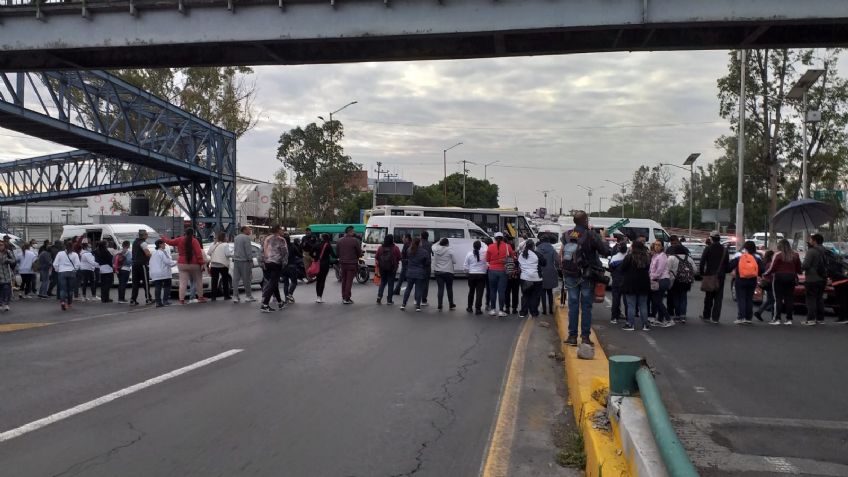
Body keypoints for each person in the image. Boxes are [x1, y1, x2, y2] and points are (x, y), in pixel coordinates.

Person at [562, 211, 611, 346]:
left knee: (572, 306)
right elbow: (605, 251)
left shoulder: (566, 235)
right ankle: (584, 338)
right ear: (586, 221)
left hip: (570, 274)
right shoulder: (590, 235)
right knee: (586, 307)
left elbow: (563, 253)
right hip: (586, 276)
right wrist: (603, 237)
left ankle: (572, 337)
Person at [164, 228, 207, 305]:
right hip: (194, 263)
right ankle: (200, 297)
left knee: (183, 282)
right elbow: (198, 253)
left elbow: (170, 242)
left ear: (185, 233)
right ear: (193, 233)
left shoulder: (180, 239)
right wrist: (201, 263)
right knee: (198, 281)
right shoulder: (194, 240)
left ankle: (181, 300)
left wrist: (163, 238)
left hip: (182, 263)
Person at [764, 239, 801, 325]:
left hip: (779, 278)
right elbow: (799, 268)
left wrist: (765, 274)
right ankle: (789, 319)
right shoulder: (795, 255)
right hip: (791, 277)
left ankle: (777, 319)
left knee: (778, 299)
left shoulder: (778, 255)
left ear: (779, 246)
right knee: (789, 299)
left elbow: (772, 267)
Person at [728, 240, 764, 325]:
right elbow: (762, 269)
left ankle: (741, 317)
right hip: (752, 280)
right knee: (749, 298)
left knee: (741, 298)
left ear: (745, 248)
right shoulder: (757, 257)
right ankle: (748, 318)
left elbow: (730, 267)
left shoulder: (739, 256)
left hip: (740, 280)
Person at [620, 240, 652, 331]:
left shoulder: (629, 257)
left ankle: (630, 324)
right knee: (643, 304)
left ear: (633, 247)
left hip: (630, 283)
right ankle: (645, 325)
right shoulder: (647, 257)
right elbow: (649, 268)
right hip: (644, 283)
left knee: (631, 305)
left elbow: (622, 268)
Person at [699, 231, 730, 324]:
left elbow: (702, 262)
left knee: (708, 297)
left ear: (711, 238)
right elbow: (727, 265)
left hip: (709, 275)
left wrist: (702, 273)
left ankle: (706, 316)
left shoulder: (708, 248)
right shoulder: (725, 250)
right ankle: (715, 318)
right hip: (720, 276)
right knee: (718, 298)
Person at [666, 236, 695, 323]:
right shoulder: (688, 258)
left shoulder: (671, 258)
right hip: (686, 281)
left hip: (675, 280)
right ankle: (683, 315)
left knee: (675, 297)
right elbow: (695, 269)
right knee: (683, 297)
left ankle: (677, 315)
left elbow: (667, 269)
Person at [260, 225, 288, 313]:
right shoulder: (281, 239)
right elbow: (285, 252)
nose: (282, 231)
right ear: (277, 230)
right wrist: (284, 263)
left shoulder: (266, 238)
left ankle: (280, 302)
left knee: (273, 282)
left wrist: (262, 262)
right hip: (276, 262)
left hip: (267, 262)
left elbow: (261, 250)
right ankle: (265, 304)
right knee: (273, 283)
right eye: (281, 229)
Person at [486, 232, 515, 317]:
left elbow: (487, 259)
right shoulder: (508, 246)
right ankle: (501, 311)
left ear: (494, 238)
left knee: (492, 291)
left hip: (492, 271)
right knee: (501, 291)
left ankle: (493, 310)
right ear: (502, 238)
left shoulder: (490, 247)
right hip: (503, 271)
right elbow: (512, 258)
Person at [801, 233, 827, 325]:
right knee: (819, 298)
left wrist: (801, 266)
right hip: (823, 278)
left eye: (811, 240)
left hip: (812, 278)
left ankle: (811, 319)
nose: (809, 241)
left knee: (811, 299)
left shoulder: (811, 251)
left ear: (814, 241)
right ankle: (820, 319)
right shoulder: (825, 250)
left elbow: (805, 265)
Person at [401, 237, 431, 312]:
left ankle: (403, 304)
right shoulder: (424, 252)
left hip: (410, 272)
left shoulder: (409, 250)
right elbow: (427, 262)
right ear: (420, 243)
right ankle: (418, 306)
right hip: (420, 272)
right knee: (418, 289)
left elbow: (408, 258)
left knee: (408, 289)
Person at [518, 239, 544, 318]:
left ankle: (523, 312)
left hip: (524, 278)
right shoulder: (537, 254)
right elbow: (544, 263)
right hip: (536, 279)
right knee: (535, 296)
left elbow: (518, 264)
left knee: (525, 295)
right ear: (533, 246)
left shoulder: (521, 254)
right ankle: (534, 312)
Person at [649, 240, 672, 327]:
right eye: (655, 245)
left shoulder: (662, 256)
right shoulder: (655, 256)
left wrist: (650, 278)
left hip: (662, 280)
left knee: (657, 301)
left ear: (662, 247)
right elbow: (651, 269)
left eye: (659, 245)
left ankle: (668, 319)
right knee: (658, 300)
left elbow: (659, 271)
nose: (657, 246)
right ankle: (660, 319)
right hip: (657, 280)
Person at [336, 225, 362, 305]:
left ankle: (344, 297)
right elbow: (359, 252)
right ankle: (347, 298)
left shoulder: (339, 241)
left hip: (343, 264)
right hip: (352, 264)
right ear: (350, 232)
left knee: (344, 280)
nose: (354, 232)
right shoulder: (355, 241)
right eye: (353, 231)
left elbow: (337, 253)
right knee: (349, 282)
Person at [53, 240, 80, 311]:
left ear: (65, 246)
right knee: (70, 289)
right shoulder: (75, 254)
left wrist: (57, 270)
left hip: (62, 272)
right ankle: (69, 303)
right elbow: (78, 264)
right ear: (72, 246)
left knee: (62, 289)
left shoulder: (60, 253)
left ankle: (62, 302)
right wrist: (75, 270)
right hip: (71, 272)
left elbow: (55, 263)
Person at [149, 239, 177, 307]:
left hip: (155, 273)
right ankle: (165, 301)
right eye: (164, 244)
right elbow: (168, 262)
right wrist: (176, 262)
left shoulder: (154, 253)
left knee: (157, 287)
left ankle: (158, 302)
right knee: (167, 286)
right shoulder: (163, 252)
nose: (165, 245)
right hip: (164, 272)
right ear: (160, 245)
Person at [232, 226, 256, 303]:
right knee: (247, 279)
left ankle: (235, 296)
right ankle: (248, 296)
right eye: (249, 229)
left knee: (236, 279)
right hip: (245, 261)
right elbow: (248, 250)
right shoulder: (246, 238)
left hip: (236, 260)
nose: (250, 231)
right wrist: (251, 260)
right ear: (245, 230)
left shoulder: (236, 238)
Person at [375, 234, 401, 305]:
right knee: (390, 284)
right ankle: (389, 300)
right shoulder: (395, 248)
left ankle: (379, 297)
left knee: (382, 282)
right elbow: (399, 257)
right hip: (392, 269)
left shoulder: (380, 248)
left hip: (382, 268)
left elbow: (376, 257)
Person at [432, 237, 456, 311]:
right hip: (448, 271)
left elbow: (433, 245)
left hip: (438, 271)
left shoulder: (435, 249)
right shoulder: (450, 250)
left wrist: (439, 241)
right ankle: (451, 304)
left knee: (440, 288)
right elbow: (454, 261)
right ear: (447, 243)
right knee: (449, 288)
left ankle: (439, 305)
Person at [537, 234, 559, 315]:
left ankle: (544, 310)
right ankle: (550, 310)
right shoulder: (552, 248)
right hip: (550, 271)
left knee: (542, 292)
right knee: (550, 292)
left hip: (541, 272)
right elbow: (557, 260)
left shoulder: (538, 248)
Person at [464, 240, 488, 315]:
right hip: (481, 275)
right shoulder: (484, 253)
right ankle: (478, 309)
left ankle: (469, 307)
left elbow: (465, 266)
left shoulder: (469, 254)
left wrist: (466, 273)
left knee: (471, 291)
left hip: (472, 275)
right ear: (480, 246)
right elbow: (487, 263)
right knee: (479, 293)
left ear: (473, 246)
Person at [208, 232, 233, 302]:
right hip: (223, 264)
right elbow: (227, 254)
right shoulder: (226, 245)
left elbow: (209, 253)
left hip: (213, 264)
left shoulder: (214, 244)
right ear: (224, 238)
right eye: (227, 237)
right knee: (225, 280)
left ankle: (213, 297)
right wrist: (232, 253)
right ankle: (226, 295)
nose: (227, 238)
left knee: (214, 281)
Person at [607, 242, 628, 324]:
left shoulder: (614, 257)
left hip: (616, 280)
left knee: (616, 299)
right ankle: (628, 318)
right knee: (627, 300)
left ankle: (614, 317)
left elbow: (611, 268)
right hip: (626, 281)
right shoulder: (628, 257)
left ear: (618, 249)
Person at [130, 229, 153, 305]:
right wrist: (152, 256)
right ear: (143, 236)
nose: (147, 235)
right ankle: (148, 299)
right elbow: (147, 253)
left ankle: (133, 300)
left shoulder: (135, 242)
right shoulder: (143, 243)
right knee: (146, 282)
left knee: (135, 283)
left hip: (134, 264)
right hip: (142, 264)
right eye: (146, 234)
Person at [312, 233, 336, 303]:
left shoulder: (316, 244)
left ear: (322, 238)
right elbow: (333, 255)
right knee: (322, 280)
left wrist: (315, 258)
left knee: (318, 280)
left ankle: (317, 297)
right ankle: (320, 297)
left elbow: (311, 253)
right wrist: (338, 257)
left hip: (317, 264)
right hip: (325, 265)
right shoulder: (328, 245)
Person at [754, 250, 775, 322]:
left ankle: (759, 312)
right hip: (770, 283)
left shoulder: (765, 262)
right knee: (772, 300)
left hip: (766, 282)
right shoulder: (770, 264)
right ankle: (773, 316)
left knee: (770, 300)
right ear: (771, 256)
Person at [282, 234, 303, 303]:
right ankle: (290, 294)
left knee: (286, 283)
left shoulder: (281, 247)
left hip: (283, 267)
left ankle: (286, 298)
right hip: (292, 266)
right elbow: (299, 254)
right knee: (294, 282)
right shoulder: (292, 246)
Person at [419, 231, 433, 306]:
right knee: (425, 283)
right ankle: (424, 300)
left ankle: (416, 299)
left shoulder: (419, 244)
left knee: (418, 283)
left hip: (419, 265)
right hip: (427, 266)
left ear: (421, 236)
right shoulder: (430, 244)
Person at [0, 241, 15, 311]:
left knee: (7, 289)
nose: (1, 246)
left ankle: (6, 304)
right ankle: (0, 303)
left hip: (7, 274)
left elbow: (13, 260)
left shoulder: (8, 252)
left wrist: (7, 260)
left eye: (2, 245)